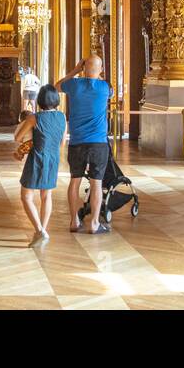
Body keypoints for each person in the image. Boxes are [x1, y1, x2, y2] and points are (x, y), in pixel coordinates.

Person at [59, 55, 112, 235]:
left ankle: (74, 220)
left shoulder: (74, 85)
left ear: (84, 67)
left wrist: (76, 70)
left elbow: (57, 86)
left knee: (75, 180)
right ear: (101, 69)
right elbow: (106, 87)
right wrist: (95, 72)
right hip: (98, 143)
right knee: (97, 182)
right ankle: (94, 223)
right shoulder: (105, 88)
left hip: (77, 142)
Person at [13, 83, 65, 247]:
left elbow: (18, 138)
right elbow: (62, 142)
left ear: (39, 101)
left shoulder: (34, 118)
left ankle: (39, 230)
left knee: (26, 196)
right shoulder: (62, 117)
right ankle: (43, 229)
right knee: (46, 196)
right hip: (53, 158)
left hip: (37, 158)